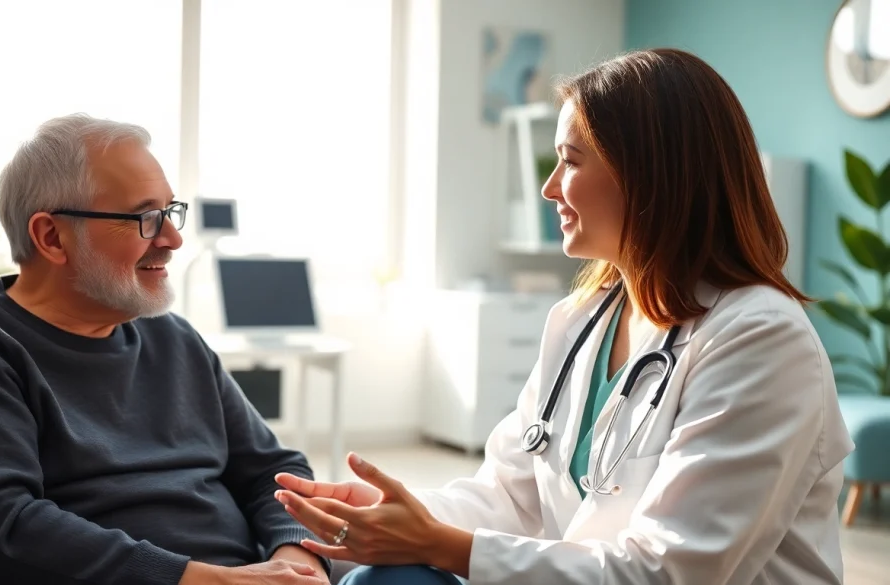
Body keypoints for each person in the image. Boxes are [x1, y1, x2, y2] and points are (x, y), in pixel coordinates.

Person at [272, 48, 855, 585]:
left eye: (570, 161)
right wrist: (388, 514)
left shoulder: (760, 338)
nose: (550, 188)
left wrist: (443, 546)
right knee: (382, 576)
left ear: (650, 174)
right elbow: (511, 496)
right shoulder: (582, 320)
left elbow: (670, 571)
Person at [0, 114, 331, 585]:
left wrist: (298, 559)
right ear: (51, 236)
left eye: (169, 212)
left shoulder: (173, 337)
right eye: (144, 217)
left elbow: (274, 470)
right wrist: (207, 580)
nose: (173, 239)